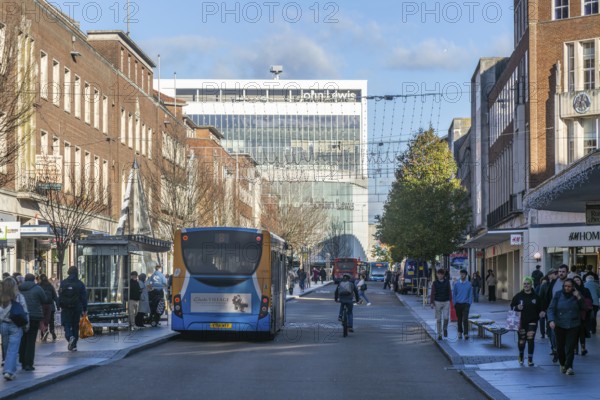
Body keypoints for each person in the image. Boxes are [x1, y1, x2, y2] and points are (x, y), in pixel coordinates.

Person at [547, 278, 584, 375]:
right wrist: (551, 320)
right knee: (560, 347)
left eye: (569, 286)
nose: (567, 288)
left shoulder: (577, 294)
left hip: (573, 324)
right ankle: (563, 364)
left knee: (570, 347)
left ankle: (569, 367)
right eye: (565, 286)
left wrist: (579, 297)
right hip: (560, 324)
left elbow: (584, 307)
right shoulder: (558, 294)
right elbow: (551, 308)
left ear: (573, 287)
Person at [510, 276, 544, 366]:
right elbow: (512, 307)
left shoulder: (536, 297)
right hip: (521, 321)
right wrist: (517, 307)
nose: (526, 285)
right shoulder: (518, 296)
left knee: (530, 339)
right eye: (524, 284)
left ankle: (530, 359)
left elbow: (541, 308)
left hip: (533, 321)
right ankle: (521, 355)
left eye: (528, 284)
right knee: (522, 340)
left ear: (531, 284)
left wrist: (541, 312)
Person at [0, 277, 28, 381]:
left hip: (3, 325)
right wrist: (26, 325)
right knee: (13, 349)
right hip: (16, 325)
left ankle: (9, 369)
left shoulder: (1, 297)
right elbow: (25, 311)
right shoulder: (19, 297)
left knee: (6, 348)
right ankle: (9, 371)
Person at [18, 273, 47, 371]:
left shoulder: (19, 289)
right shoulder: (37, 288)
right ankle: (28, 364)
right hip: (34, 316)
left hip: (22, 316)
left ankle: (22, 361)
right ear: (34, 279)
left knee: (23, 339)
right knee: (31, 340)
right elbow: (44, 299)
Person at [58, 266, 88, 352]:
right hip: (76, 307)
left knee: (66, 324)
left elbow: (60, 295)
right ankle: (74, 344)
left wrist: (59, 305)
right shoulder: (80, 284)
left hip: (66, 307)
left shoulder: (63, 283)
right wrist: (85, 308)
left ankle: (69, 336)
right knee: (75, 325)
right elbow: (84, 297)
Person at [544, 264, 569, 362]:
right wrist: (545, 309)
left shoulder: (570, 283)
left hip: (567, 314)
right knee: (553, 334)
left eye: (563, 271)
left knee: (565, 335)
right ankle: (555, 351)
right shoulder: (554, 282)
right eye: (560, 271)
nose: (561, 273)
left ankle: (563, 353)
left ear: (567, 272)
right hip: (554, 312)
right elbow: (548, 296)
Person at [572, 275, 592, 356]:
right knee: (574, 332)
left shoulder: (585, 290)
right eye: (575, 280)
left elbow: (590, 300)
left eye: (578, 280)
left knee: (581, 331)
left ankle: (583, 348)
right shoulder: (571, 290)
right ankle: (575, 348)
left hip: (583, 314)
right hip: (574, 314)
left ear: (581, 281)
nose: (577, 282)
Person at [430, 268, 452, 340]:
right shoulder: (435, 283)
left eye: (441, 274)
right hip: (437, 301)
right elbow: (432, 293)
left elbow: (449, 291)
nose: (439, 275)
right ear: (436, 275)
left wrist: (451, 300)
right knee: (438, 319)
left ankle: (445, 328)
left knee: (446, 317)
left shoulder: (447, 282)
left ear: (443, 275)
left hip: (446, 301)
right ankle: (439, 334)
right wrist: (432, 302)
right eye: (438, 274)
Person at [452, 269, 473, 340]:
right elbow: (454, 294)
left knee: (465, 319)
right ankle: (460, 332)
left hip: (466, 304)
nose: (462, 275)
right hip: (458, 304)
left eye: (463, 274)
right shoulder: (456, 284)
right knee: (459, 319)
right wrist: (454, 303)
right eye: (461, 274)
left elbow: (470, 294)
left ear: (466, 275)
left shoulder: (469, 284)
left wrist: (469, 303)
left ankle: (466, 333)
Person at [38, 274, 58, 342]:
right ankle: (52, 331)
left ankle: (43, 332)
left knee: (42, 319)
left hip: (41, 306)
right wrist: (58, 305)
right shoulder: (50, 286)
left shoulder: (38, 286)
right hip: (50, 306)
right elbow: (55, 296)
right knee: (51, 320)